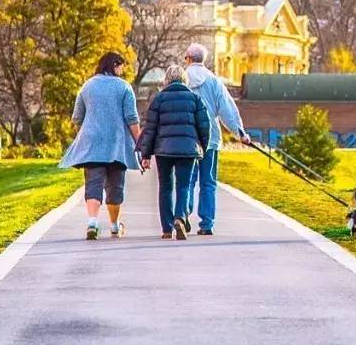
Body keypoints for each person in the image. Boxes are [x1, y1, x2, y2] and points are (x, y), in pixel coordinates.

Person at [59, 51, 140, 240]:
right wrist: (139, 143)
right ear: (115, 65)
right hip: (116, 146)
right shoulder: (124, 87)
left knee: (93, 185)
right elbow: (132, 119)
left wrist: (86, 134)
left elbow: (77, 118)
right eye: (121, 66)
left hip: (92, 145)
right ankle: (114, 225)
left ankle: (92, 223)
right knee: (115, 187)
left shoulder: (87, 86)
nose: (122, 71)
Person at [138, 64, 211, 240]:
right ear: (184, 79)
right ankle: (180, 218)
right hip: (188, 149)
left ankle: (166, 228)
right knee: (184, 185)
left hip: (163, 150)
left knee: (165, 187)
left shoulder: (159, 99)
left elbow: (150, 129)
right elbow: (205, 126)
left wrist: (145, 155)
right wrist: (203, 147)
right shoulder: (195, 99)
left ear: (167, 80)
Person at [184, 43, 249, 235]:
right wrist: (240, 133)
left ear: (188, 59)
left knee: (187, 180)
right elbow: (227, 109)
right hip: (210, 137)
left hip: (188, 137)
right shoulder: (213, 81)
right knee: (208, 182)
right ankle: (207, 224)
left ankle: (183, 215)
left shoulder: (182, 79)